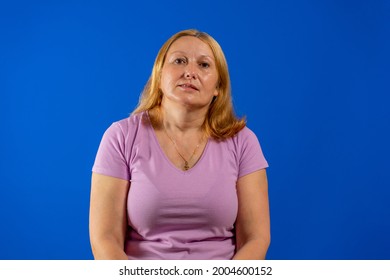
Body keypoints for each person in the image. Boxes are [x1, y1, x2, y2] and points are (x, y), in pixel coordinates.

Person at [89, 29, 270, 260]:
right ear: (159, 75)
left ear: (218, 87)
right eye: (179, 61)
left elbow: (256, 239)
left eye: (204, 65)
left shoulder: (243, 141)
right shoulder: (121, 136)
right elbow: (104, 239)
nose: (190, 72)